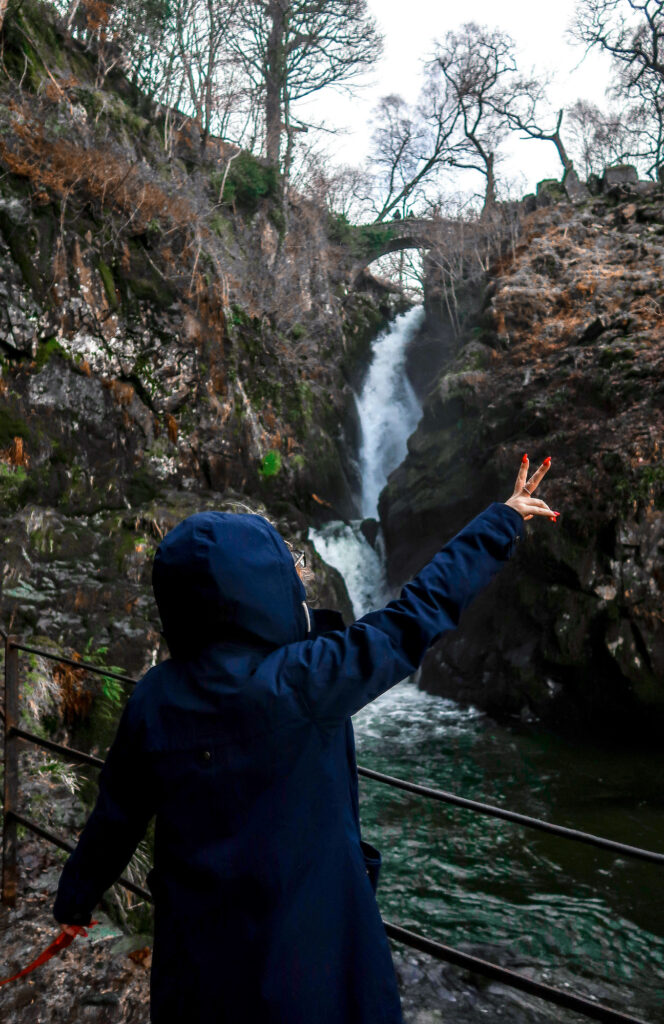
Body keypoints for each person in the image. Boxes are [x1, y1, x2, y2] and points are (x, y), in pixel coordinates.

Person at [54, 455, 557, 1024]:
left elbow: (114, 818)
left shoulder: (153, 698)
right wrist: (503, 520)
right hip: (308, 967)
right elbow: (419, 612)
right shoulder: (309, 678)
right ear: (263, 591)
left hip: (200, 967)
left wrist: (75, 899)